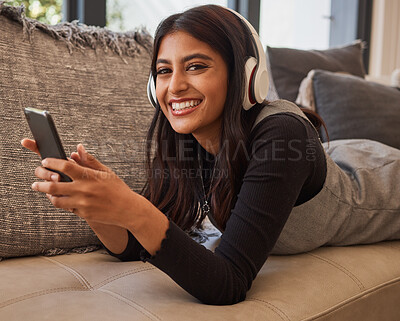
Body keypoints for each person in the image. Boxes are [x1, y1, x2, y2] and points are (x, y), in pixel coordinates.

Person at [21, 5, 400, 305]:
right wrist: (97, 206)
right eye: (164, 71)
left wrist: (132, 207)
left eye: (197, 66)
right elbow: (139, 245)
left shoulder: (281, 131)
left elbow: (228, 283)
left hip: (380, 179)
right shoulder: (189, 140)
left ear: (246, 76)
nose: (175, 87)